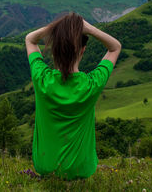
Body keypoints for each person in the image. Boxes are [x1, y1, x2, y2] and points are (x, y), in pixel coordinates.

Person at [25, 12, 121, 180]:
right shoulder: (91, 84)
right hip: (80, 170)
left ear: (54, 51)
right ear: (83, 50)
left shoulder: (42, 80)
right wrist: (89, 29)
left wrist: (57, 27)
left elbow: (30, 39)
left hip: (45, 167)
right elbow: (115, 47)